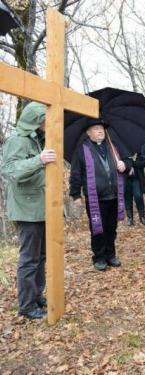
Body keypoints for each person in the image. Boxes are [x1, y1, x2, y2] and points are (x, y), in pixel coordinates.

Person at [2, 102, 53, 319]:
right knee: (29, 258)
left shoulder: (42, 140)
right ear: (35, 119)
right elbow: (10, 170)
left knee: (41, 256)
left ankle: (37, 294)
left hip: (43, 206)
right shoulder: (17, 140)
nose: (48, 122)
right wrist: (38, 160)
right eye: (45, 118)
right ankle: (26, 305)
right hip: (26, 207)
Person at [69, 118, 131, 271]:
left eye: (101, 128)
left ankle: (110, 255)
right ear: (88, 132)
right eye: (96, 128)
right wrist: (76, 194)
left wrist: (125, 164)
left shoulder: (114, 146)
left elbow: (129, 161)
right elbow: (76, 173)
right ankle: (99, 257)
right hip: (96, 198)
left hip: (114, 195)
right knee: (98, 229)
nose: (100, 131)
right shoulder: (81, 150)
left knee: (111, 228)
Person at [124, 153, 145, 226]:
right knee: (128, 198)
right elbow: (120, 162)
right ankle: (130, 218)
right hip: (126, 178)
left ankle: (142, 217)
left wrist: (132, 163)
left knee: (138, 196)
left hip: (137, 179)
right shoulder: (123, 151)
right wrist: (128, 165)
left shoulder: (140, 152)